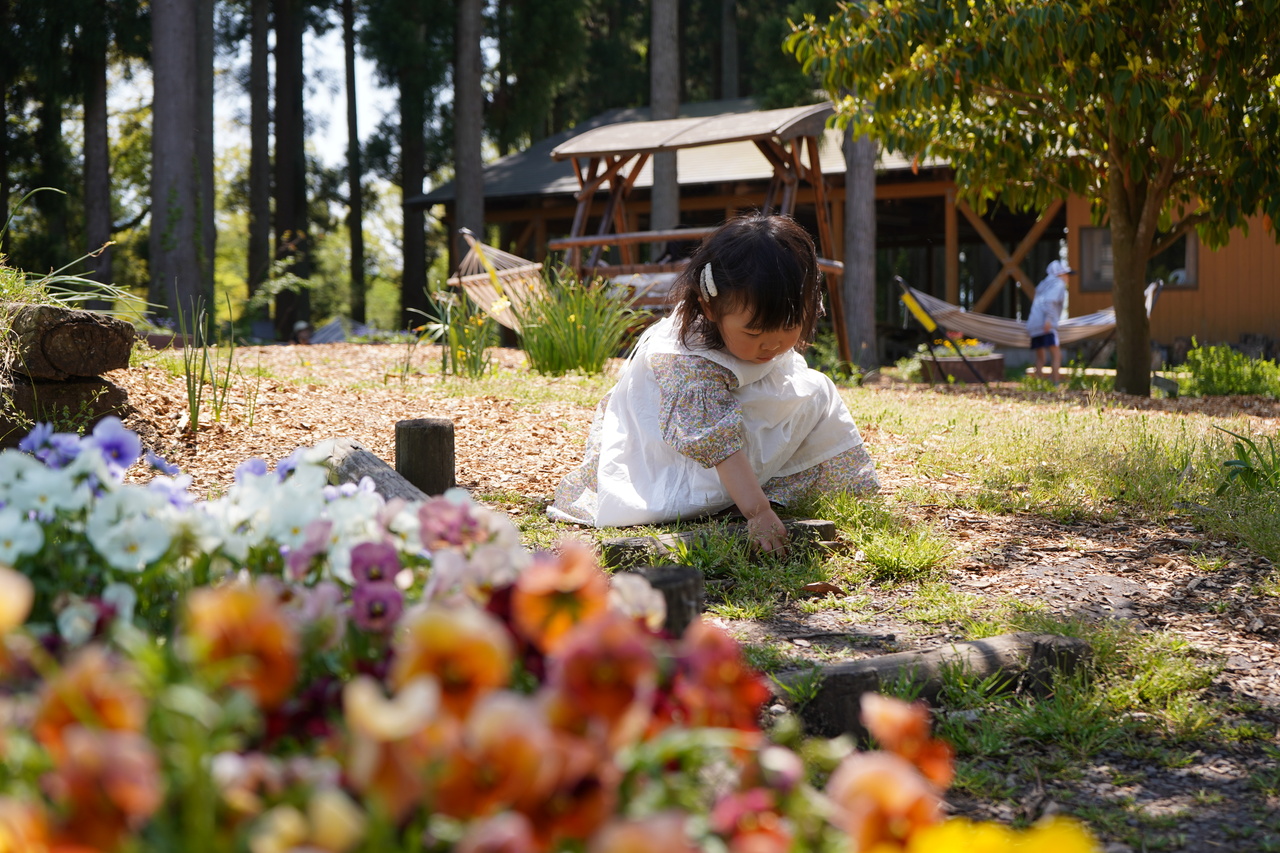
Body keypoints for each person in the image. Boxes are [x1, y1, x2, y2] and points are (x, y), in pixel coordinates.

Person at [549, 213, 879, 554]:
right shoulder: (687, 360)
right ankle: (738, 497)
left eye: (789, 327)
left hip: (730, 428)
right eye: (754, 333)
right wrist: (757, 511)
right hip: (683, 452)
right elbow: (715, 440)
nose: (772, 345)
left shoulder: (764, 324)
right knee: (729, 433)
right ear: (709, 308)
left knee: (816, 389)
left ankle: (823, 486)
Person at [1026, 259, 1074, 384]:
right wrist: (1048, 320)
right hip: (1046, 324)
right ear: (1060, 274)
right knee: (1057, 355)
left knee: (1041, 356)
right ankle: (1055, 382)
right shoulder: (1058, 284)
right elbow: (1050, 302)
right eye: (1066, 274)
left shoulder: (1043, 285)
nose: (1068, 277)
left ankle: (1038, 383)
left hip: (1033, 323)